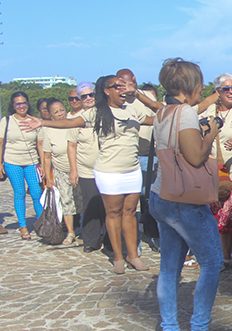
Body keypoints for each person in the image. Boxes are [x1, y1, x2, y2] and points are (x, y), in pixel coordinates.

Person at [22, 75, 154, 274]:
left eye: (123, 86)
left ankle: (132, 255)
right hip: (109, 171)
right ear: (106, 90)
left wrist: (139, 94)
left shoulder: (133, 110)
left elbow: (159, 116)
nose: (122, 89)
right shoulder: (96, 112)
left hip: (132, 170)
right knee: (113, 213)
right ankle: (118, 256)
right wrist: (42, 123)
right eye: (117, 86)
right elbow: (71, 123)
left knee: (129, 213)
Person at [147, 58, 230, 331]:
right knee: (212, 263)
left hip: (161, 196)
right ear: (187, 86)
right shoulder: (184, 113)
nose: (203, 87)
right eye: (200, 82)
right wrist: (213, 131)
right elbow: (195, 157)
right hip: (185, 201)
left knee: (169, 269)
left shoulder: (163, 112)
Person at [202, 73, 232, 269]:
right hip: (212, 172)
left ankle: (227, 256)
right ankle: (220, 256)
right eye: (226, 89)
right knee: (215, 216)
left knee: (228, 216)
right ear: (217, 91)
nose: (231, 92)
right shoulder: (208, 111)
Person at [0, 91, 43, 240]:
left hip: (32, 162)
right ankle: (23, 226)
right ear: (13, 105)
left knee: (37, 192)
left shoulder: (35, 121)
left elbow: (40, 144)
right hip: (12, 161)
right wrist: (0, 163)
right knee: (19, 193)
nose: (21, 106)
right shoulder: (6, 121)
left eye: (24, 102)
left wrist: (42, 164)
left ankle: (41, 223)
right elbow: (0, 143)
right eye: (18, 103)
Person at [67, 82, 104, 253]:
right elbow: (71, 146)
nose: (88, 98)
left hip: (105, 168)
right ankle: (91, 239)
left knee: (106, 205)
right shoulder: (77, 119)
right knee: (90, 205)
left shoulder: (105, 114)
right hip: (85, 169)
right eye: (84, 96)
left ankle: (108, 238)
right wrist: (73, 170)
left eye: (91, 94)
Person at [42, 98, 77, 244]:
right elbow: (46, 157)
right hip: (61, 170)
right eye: (56, 112)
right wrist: (48, 179)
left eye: (62, 109)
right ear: (50, 115)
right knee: (66, 201)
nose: (60, 113)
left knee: (82, 200)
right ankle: (70, 232)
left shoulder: (74, 123)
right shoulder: (49, 131)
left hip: (79, 168)